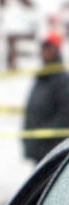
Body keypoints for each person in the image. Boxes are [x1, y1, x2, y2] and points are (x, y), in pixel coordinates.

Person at [23, 32, 69, 164]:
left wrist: (47, 136)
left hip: (53, 150)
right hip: (39, 150)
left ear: (56, 51)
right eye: (44, 48)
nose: (45, 52)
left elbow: (65, 115)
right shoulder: (42, 78)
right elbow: (32, 110)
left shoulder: (62, 80)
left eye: (49, 48)